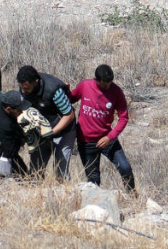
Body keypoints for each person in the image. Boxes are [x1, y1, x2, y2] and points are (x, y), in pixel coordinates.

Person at [69, 64, 136, 193]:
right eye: (104, 84)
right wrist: (64, 90)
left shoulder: (117, 92)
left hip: (107, 139)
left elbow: (123, 118)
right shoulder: (85, 85)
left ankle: (133, 196)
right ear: (96, 80)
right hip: (86, 142)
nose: (107, 87)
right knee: (93, 180)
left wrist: (109, 137)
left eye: (109, 83)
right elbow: (71, 99)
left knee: (125, 168)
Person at [13, 64, 72, 175]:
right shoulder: (24, 89)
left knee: (61, 169)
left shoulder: (54, 89)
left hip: (64, 130)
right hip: (41, 130)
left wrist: (51, 132)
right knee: (36, 169)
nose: (23, 91)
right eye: (21, 87)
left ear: (36, 82)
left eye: (26, 88)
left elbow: (69, 115)